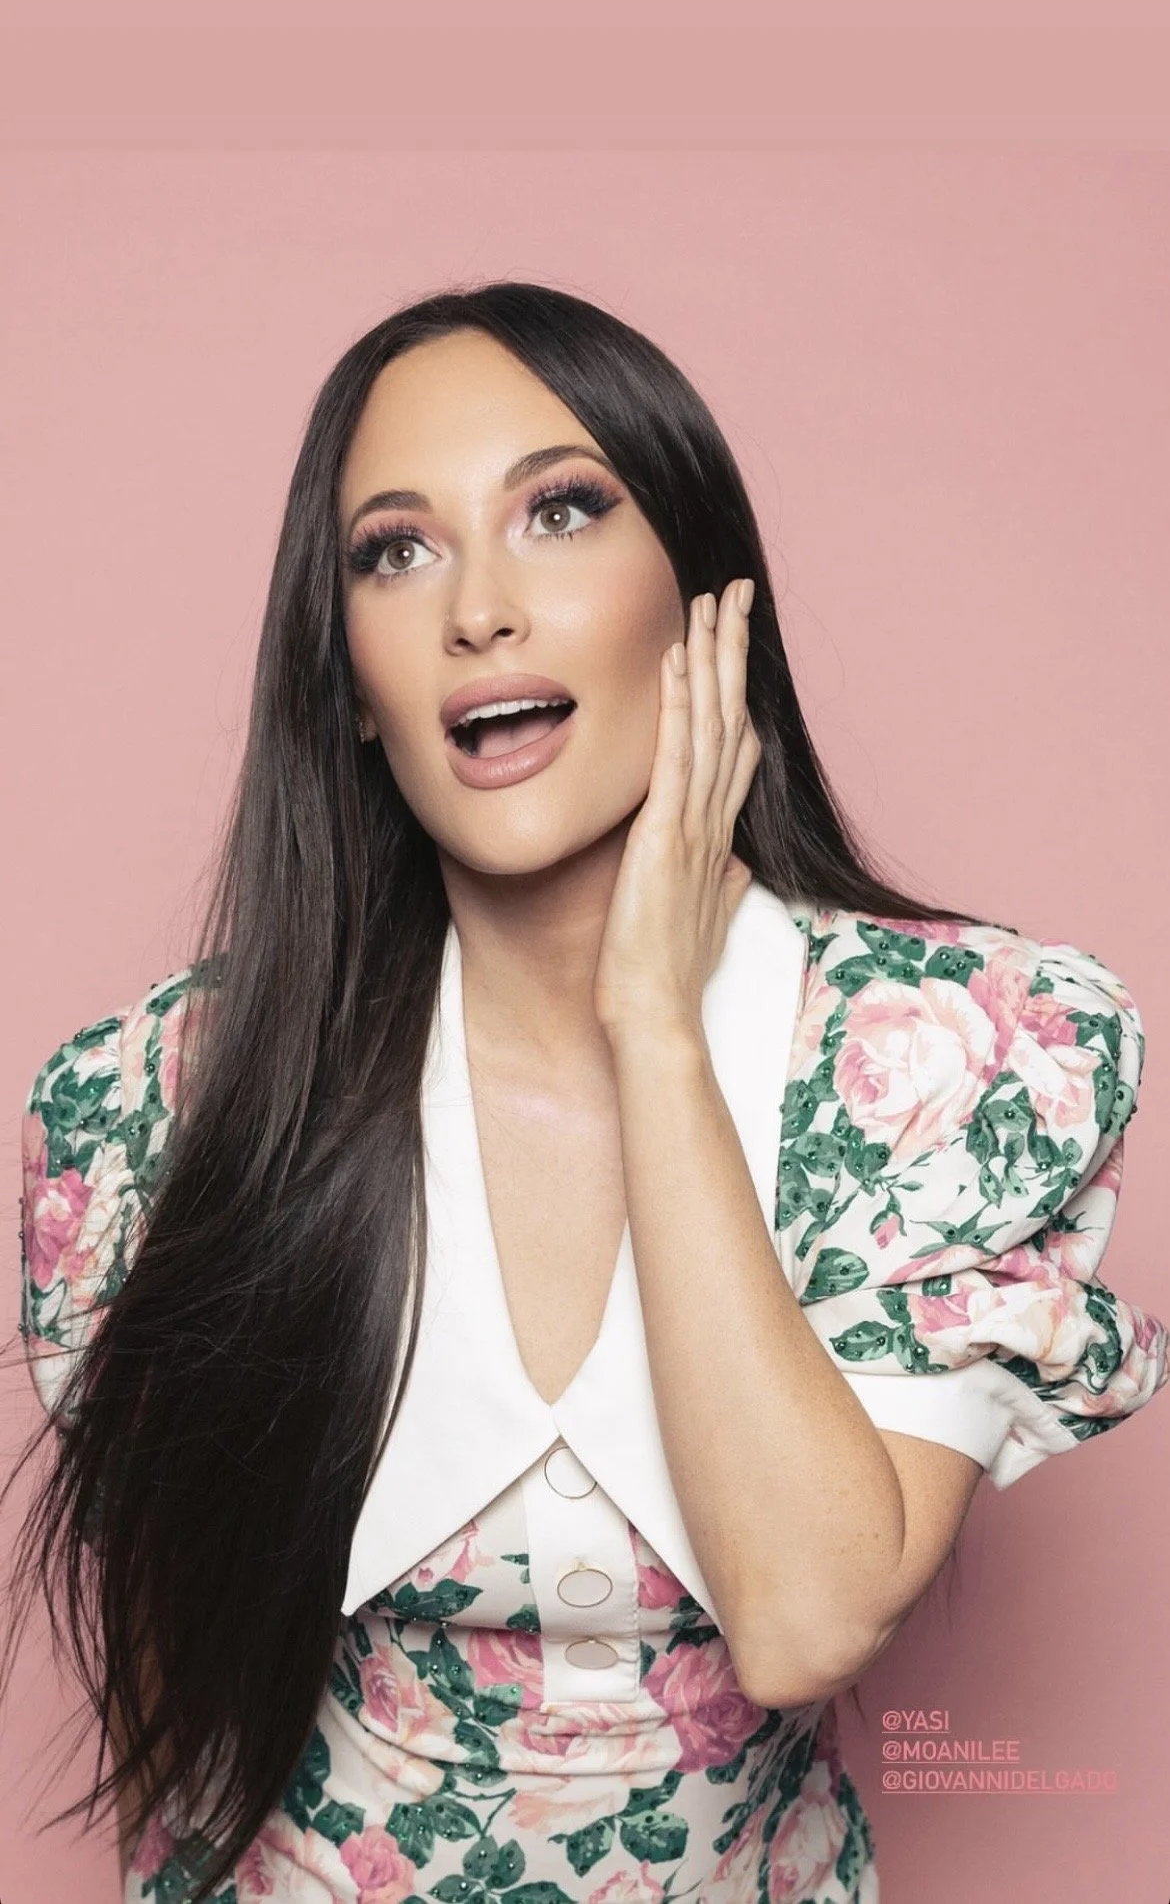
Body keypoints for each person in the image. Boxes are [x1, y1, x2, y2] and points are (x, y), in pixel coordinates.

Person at [7, 281, 1167, 1904]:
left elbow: (805, 1618)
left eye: (558, 513)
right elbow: (176, 1721)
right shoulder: (153, 1106)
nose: (478, 609)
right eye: (393, 552)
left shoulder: (948, 1061)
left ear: (706, 604)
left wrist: (654, 1025)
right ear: (346, 680)